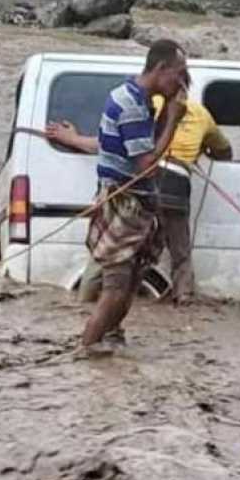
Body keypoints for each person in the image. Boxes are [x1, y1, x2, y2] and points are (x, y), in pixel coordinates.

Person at [47, 71, 232, 307]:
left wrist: (73, 139)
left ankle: (85, 301)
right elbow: (225, 152)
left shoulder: (147, 106)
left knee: (109, 251)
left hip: (142, 187)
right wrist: (203, 150)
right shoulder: (202, 115)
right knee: (180, 253)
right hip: (176, 188)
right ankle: (184, 299)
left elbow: (108, 144)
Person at [75, 38, 187, 352]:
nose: (180, 81)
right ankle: (86, 350)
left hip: (138, 204)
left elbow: (144, 147)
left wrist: (167, 111)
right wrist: (174, 120)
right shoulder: (131, 105)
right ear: (161, 68)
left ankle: (108, 344)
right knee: (115, 289)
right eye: (178, 74)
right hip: (124, 206)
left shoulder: (140, 100)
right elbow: (147, 166)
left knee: (130, 284)